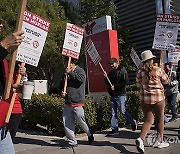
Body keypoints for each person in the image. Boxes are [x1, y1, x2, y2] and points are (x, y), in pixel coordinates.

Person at [136, 50, 170, 153]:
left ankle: (141, 139)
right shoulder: (158, 69)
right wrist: (164, 70)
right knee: (160, 119)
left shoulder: (139, 72)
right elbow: (166, 81)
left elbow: (138, 85)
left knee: (148, 120)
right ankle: (159, 141)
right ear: (151, 59)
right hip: (158, 98)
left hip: (145, 99)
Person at [0, 18, 24, 153]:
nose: (1, 25)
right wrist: (3, 45)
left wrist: (12, 87)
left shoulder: (3, 58)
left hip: (2, 119)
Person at [59, 58, 94, 148]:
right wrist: (62, 92)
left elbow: (80, 80)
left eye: (68, 64)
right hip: (68, 103)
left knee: (81, 120)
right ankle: (72, 141)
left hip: (77, 102)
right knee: (67, 122)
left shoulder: (80, 71)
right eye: (66, 64)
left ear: (73, 64)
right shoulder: (64, 75)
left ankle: (89, 133)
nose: (66, 66)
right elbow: (61, 86)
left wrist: (70, 73)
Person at [104, 57, 137, 135]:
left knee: (123, 111)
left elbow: (125, 82)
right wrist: (105, 77)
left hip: (120, 94)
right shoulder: (111, 73)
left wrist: (116, 86)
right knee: (113, 113)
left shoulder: (122, 70)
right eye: (110, 64)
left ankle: (132, 121)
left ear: (116, 63)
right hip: (113, 95)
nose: (111, 65)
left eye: (112, 63)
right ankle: (115, 129)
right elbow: (108, 83)